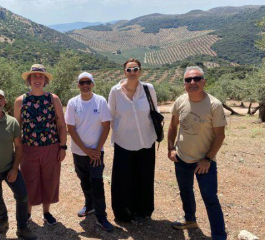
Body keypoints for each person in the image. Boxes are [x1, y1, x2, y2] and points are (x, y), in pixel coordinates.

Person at [168, 66, 227, 240]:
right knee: (185, 191)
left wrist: (207, 159)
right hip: (182, 158)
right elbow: (172, 126)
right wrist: (171, 148)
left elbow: (220, 135)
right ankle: (190, 219)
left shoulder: (214, 105)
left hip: (204, 162)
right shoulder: (180, 101)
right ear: (184, 84)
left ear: (204, 81)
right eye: (188, 80)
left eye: (196, 78)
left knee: (210, 198)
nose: (192, 82)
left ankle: (219, 235)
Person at [14, 64, 67, 226]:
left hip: (51, 147)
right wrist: (18, 151)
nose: (37, 79)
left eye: (40, 76)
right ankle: (28, 213)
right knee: (29, 180)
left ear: (45, 81)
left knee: (49, 180)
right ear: (29, 80)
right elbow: (17, 127)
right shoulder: (20, 101)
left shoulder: (53, 99)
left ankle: (46, 212)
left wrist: (63, 147)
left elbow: (61, 125)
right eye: (34, 76)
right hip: (28, 149)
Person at [108, 58, 158, 222]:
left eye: (135, 69)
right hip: (124, 141)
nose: (132, 72)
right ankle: (123, 212)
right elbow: (111, 116)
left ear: (140, 71)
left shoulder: (148, 89)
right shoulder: (115, 91)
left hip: (146, 141)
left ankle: (143, 210)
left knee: (144, 177)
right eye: (129, 70)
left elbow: (154, 111)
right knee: (123, 179)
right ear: (124, 72)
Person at [0, 89, 37, 240]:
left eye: (0, 98)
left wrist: (15, 168)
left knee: (22, 196)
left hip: (9, 167)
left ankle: (22, 228)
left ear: (4, 101)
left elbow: (19, 147)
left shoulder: (12, 122)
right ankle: (3, 221)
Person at [65, 72, 114, 232]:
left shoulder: (100, 101)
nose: (85, 85)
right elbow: (70, 129)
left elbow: (106, 126)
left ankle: (102, 217)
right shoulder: (73, 103)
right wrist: (85, 150)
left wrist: (97, 150)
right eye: (82, 82)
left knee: (97, 182)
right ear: (78, 85)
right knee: (84, 180)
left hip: (96, 153)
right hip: (79, 152)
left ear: (92, 84)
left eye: (88, 82)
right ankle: (89, 205)